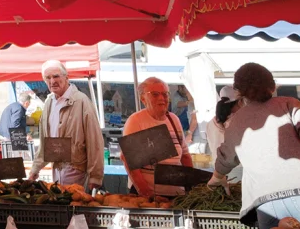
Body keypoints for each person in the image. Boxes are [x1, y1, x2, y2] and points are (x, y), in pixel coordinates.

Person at [213, 63, 300, 229]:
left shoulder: (236, 121)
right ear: (272, 86)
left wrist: (217, 177)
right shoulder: (289, 104)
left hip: (268, 206)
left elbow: (225, 158)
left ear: (238, 91)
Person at [30, 61, 105, 189]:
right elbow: (45, 141)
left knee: (72, 205)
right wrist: (35, 169)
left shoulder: (81, 101)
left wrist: (95, 176)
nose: (52, 81)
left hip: (76, 168)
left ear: (66, 77)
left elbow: (94, 140)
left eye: (56, 76)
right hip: (56, 166)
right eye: (48, 78)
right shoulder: (49, 102)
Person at [123, 77, 194, 197]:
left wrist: (191, 187)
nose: (162, 98)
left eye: (165, 94)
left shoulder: (173, 120)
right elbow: (129, 161)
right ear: (143, 98)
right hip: (149, 197)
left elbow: (185, 156)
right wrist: (145, 192)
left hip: (177, 196)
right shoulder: (136, 121)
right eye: (155, 94)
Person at [206, 85, 240, 175]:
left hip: (217, 169)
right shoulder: (238, 122)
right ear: (239, 102)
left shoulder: (210, 124)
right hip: (238, 169)